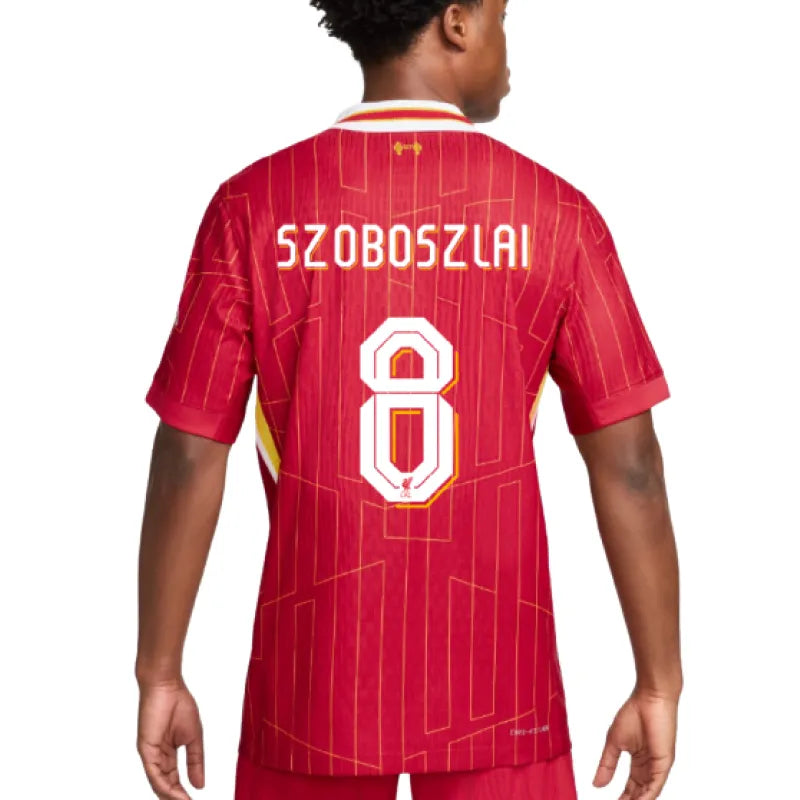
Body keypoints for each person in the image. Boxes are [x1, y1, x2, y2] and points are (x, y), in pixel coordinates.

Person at [136, 1, 682, 798]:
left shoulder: (252, 207)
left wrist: (159, 671)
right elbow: (631, 467)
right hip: (501, 691)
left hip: (311, 690)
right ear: (457, 21)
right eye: (503, 15)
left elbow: (188, 455)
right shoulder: (558, 215)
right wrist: (659, 681)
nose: (508, 44)